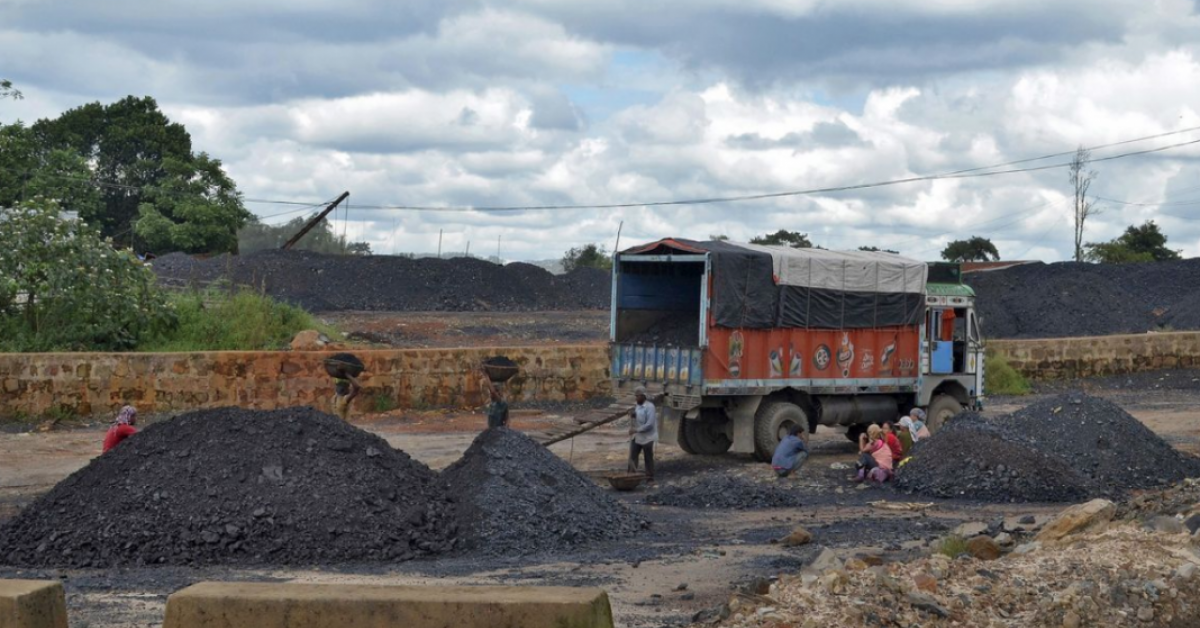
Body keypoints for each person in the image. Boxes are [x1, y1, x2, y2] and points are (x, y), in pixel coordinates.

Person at [628, 387, 658, 482]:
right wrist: (632, 416)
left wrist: (636, 430)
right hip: (637, 437)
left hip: (648, 437)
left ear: (643, 396)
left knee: (648, 457)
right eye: (636, 396)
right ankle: (631, 477)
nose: (636, 398)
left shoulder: (650, 407)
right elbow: (635, 420)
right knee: (632, 456)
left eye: (638, 396)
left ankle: (649, 478)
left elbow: (649, 424)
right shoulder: (636, 406)